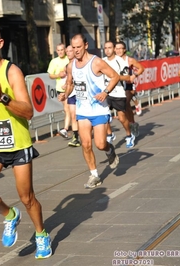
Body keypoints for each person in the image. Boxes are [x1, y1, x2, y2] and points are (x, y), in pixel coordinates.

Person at [0, 25, 52, 259]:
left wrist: (3, 97)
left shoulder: (12, 72)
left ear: (0, 44)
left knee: (27, 198)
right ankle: (9, 215)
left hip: (17, 145)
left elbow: (28, 112)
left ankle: (41, 234)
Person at [64, 34, 120, 189]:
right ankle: (94, 175)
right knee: (86, 144)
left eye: (79, 47)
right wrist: (66, 93)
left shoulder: (96, 62)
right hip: (83, 111)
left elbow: (115, 76)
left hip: (99, 110)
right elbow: (70, 83)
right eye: (73, 48)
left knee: (100, 144)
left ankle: (110, 150)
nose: (76, 51)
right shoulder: (71, 66)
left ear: (86, 45)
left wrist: (106, 92)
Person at [102, 41, 135, 148]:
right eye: (105, 48)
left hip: (118, 93)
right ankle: (110, 134)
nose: (107, 50)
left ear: (114, 49)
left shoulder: (119, 61)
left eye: (109, 48)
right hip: (106, 92)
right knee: (104, 116)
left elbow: (127, 77)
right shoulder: (102, 61)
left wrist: (115, 77)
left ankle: (129, 135)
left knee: (121, 118)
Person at [115, 41, 145, 137]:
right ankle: (132, 123)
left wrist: (134, 75)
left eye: (120, 48)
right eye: (117, 48)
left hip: (128, 85)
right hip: (118, 86)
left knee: (125, 103)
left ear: (124, 50)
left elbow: (141, 68)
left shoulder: (130, 60)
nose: (118, 50)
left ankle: (131, 124)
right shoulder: (112, 60)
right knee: (126, 107)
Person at [57, 45, 80, 147]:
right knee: (73, 115)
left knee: (84, 117)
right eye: (68, 51)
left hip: (82, 94)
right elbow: (69, 81)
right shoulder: (67, 66)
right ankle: (75, 138)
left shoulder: (80, 64)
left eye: (71, 51)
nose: (69, 53)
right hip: (72, 94)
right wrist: (65, 87)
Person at [47, 43, 71, 138]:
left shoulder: (68, 58)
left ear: (65, 50)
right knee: (67, 109)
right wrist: (58, 75)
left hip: (71, 87)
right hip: (60, 89)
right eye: (59, 50)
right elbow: (50, 75)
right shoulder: (54, 61)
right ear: (56, 51)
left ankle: (67, 128)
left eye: (62, 50)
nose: (60, 52)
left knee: (70, 109)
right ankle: (67, 129)